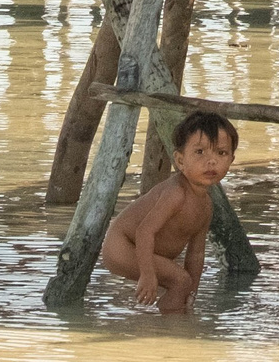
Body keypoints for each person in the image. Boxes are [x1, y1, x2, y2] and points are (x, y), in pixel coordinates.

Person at [101, 109, 235, 313]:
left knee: (184, 286)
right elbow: (144, 231)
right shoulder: (176, 193)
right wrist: (148, 275)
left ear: (231, 160)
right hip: (122, 246)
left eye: (221, 153)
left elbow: (196, 253)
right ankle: (169, 330)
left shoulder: (206, 206)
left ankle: (173, 319)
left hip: (146, 251)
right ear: (180, 161)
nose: (211, 161)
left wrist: (192, 294)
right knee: (180, 280)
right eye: (199, 152)